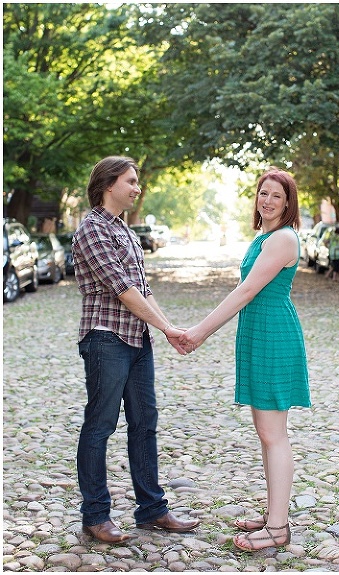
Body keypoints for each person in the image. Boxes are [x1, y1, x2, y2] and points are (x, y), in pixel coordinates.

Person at [178, 167, 311, 552]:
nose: (267, 201)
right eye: (263, 194)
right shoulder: (266, 236)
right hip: (258, 333)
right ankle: (273, 516)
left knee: (274, 434)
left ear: (288, 204)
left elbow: (246, 290)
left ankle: (278, 528)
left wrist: (200, 331)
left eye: (276, 196)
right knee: (266, 434)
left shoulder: (284, 239)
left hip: (273, 336)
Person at [72, 156, 201, 543]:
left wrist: (167, 330)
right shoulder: (91, 229)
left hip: (137, 340)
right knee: (100, 425)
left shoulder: (124, 230)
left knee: (144, 424)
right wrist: (165, 327)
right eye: (130, 181)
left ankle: (152, 510)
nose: (136, 188)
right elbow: (123, 290)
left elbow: (143, 290)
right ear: (109, 184)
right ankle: (95, 516)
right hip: (105, 339)